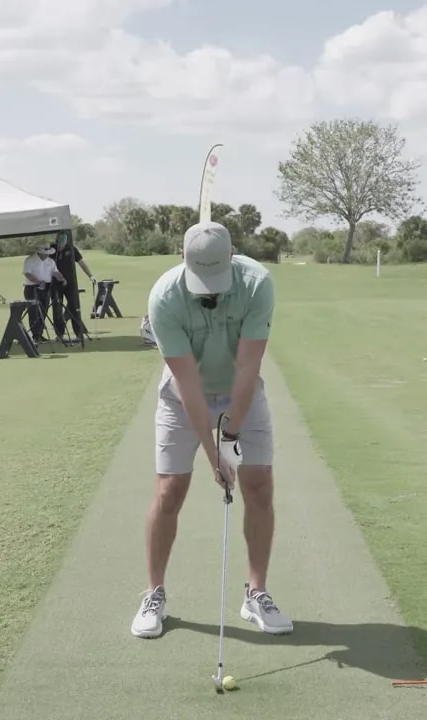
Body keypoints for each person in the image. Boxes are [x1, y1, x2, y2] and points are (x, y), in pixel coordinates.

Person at [130, 221, 292, 639]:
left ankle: (256, 593)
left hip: (241, 391)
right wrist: (213, 454)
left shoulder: (257, 284)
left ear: (232, 257)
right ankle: (154, 594)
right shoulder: (165, 298)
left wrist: (231, 439)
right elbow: (187, 384)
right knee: (169, 491)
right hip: (183, 397)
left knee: (259, 485)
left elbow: (248, 367)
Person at [21, 245, 64, 345]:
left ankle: (39, 333)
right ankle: (35, 335)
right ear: (39, 252)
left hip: (46, 288)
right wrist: (38, 281)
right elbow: (27, 273)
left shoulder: (50, 261)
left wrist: (61, 278)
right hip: (32, 288)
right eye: (45, 253)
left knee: (43, 311)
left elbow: (55, 272)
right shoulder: (30, 260)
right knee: (34, 312)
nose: (47, 255)